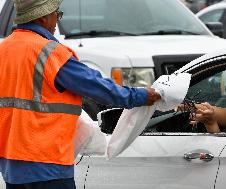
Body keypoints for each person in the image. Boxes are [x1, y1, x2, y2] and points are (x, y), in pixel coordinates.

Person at [0, 0, 161, 189]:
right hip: (47, 165)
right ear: (43, 17)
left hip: (12, 166)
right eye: (57, 15)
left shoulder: (5, 49)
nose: (56, 22)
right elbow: (98, 87)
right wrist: (140, 96)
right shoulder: (50, 53)